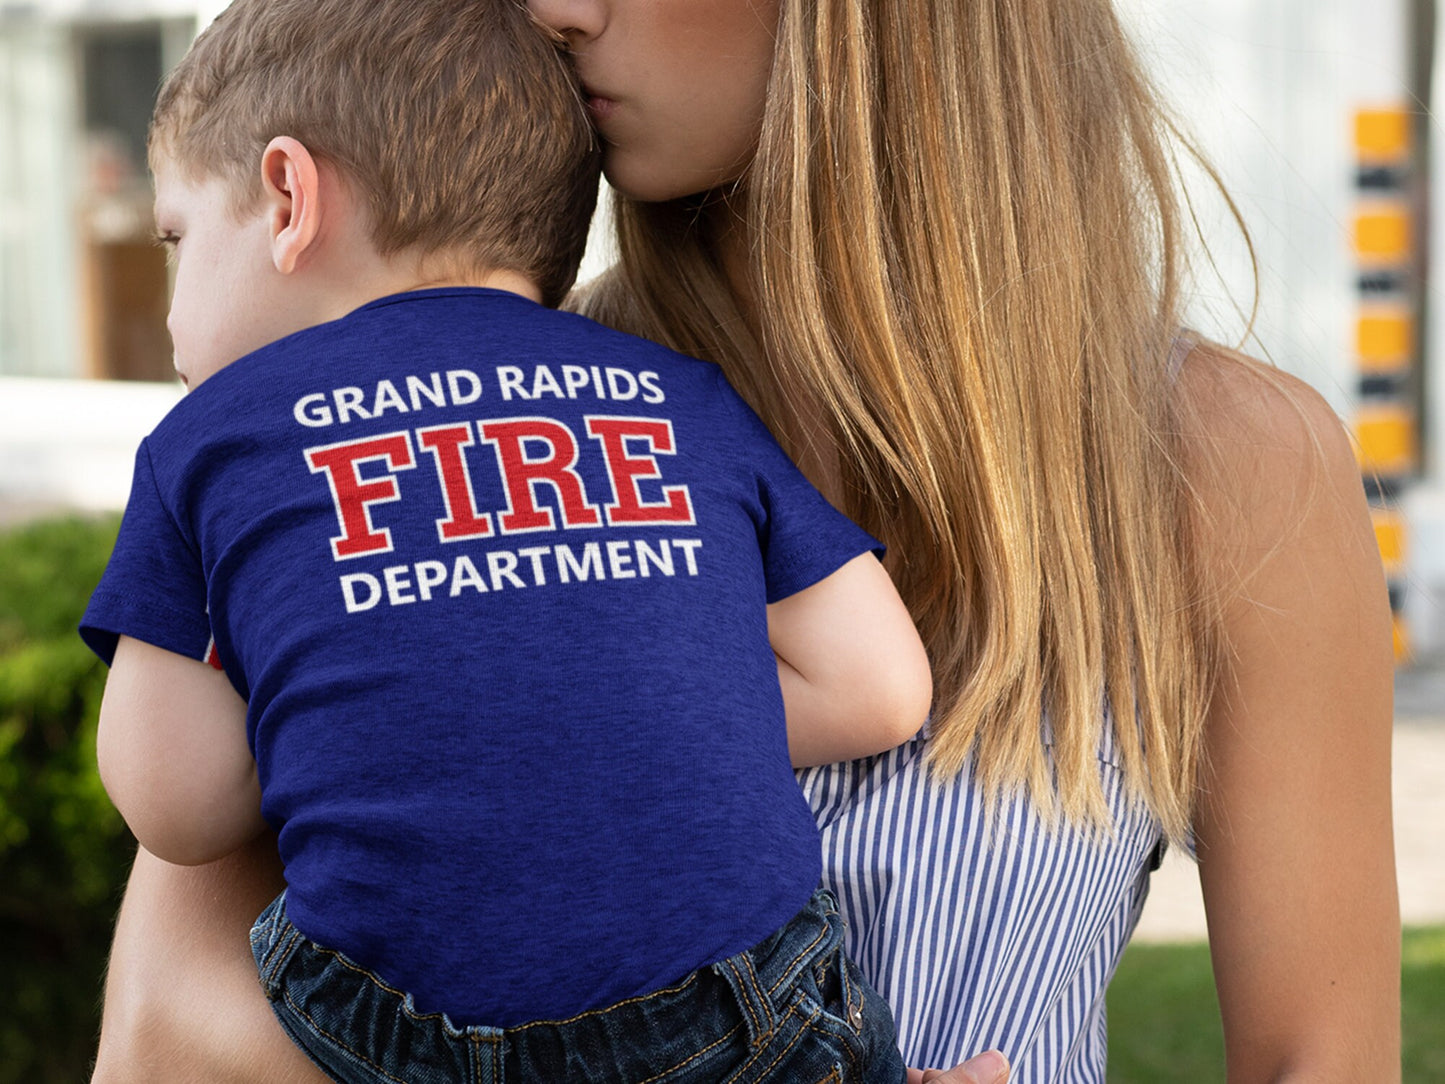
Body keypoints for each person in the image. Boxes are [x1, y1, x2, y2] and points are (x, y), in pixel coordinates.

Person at [89, 0, 1401, 1082]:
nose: (553, 12)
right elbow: (161, 1034)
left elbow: (1317, 1059)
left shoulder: (1226, 462)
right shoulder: (426, 432)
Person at [80, 0, 933, 1080]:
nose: (167, 322)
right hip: (730, 1019)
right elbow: (882, 687)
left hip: (400, 1029)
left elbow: (179, 803)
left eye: (177, 236)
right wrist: (623, 719)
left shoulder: (212, 442)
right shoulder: (672, 395)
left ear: (289, 196)